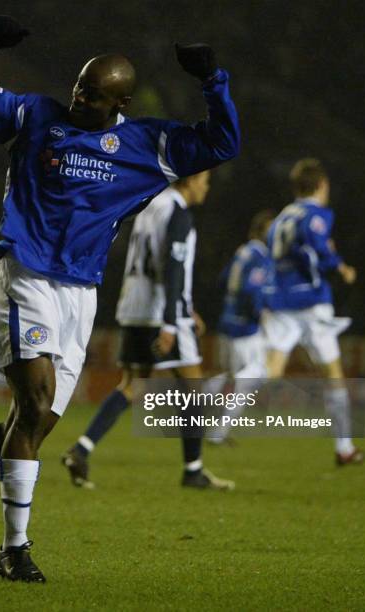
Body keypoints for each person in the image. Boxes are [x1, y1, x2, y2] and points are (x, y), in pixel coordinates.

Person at [0, 15, 240, 584]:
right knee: (35, 403)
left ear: (118, 102)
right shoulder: (33, 116)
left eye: (92, 96)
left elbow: (224, 141)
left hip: (82, 295)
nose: (78, 99)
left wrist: (212, 79)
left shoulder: (146, 145)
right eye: (77, 86)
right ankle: (14, 549)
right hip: (26, 276)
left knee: (29, 425)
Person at [63, 172, 234, 491]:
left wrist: (184, 304)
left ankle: (81, 449)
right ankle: (193, 470)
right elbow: (172, 267)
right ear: (190, 178)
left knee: (131, 385)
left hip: (135, 307)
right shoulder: (179, 213)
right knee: (194, 389)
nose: (206, 186)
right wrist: (173, 319)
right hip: (161, 314)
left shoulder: (151, 204)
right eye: (204, 180)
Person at [264, 158, 365, 466]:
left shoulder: (282, 216)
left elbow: (279, 251)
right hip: (311, 304)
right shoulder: (315, 214)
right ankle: (344, 448)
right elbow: (318, 247)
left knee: (268, 372)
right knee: (333, 376)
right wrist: (341, 267)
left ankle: (215, 410)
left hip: (283, 302)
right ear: (321, 185)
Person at [206, 210, 275, 444]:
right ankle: (216, 432)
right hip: (244, 328)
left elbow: (223, 281)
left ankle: (197, 404)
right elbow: (251, 290)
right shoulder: (260, 256)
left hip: (227, 322)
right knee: (253, 377)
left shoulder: (242, 252)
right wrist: (259, 313)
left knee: (232, 379)